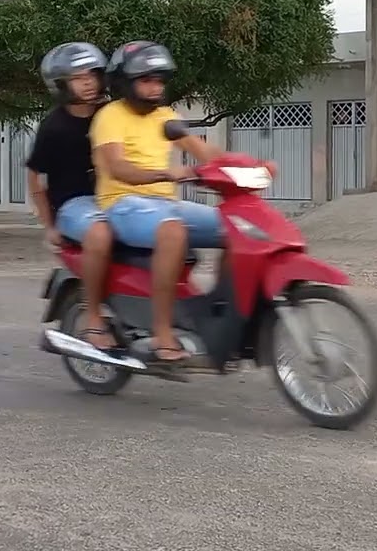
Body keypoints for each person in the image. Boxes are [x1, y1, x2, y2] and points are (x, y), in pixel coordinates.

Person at [91, 41, 277, 363]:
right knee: (173, 231)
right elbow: (118, 167)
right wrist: (167, 173)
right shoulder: (111, 116)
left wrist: (251, 166)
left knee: (237, 227)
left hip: (165, 204)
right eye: (146, 80)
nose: (155, 87)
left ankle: (221, 313)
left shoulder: (166, 116)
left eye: (159, 81)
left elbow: (205, 152)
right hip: (123, 203)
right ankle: (162, 333)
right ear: (125, 82)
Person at [26, 41, 117, 350]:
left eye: (92, 75)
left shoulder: (110, 113)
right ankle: (92, 317)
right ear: (62, 84)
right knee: (100, 234)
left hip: (113, 198)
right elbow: (36, 177)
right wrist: (49, 225)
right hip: (73, 206)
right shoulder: (54, 126)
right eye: (78, 78)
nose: (88, 83)